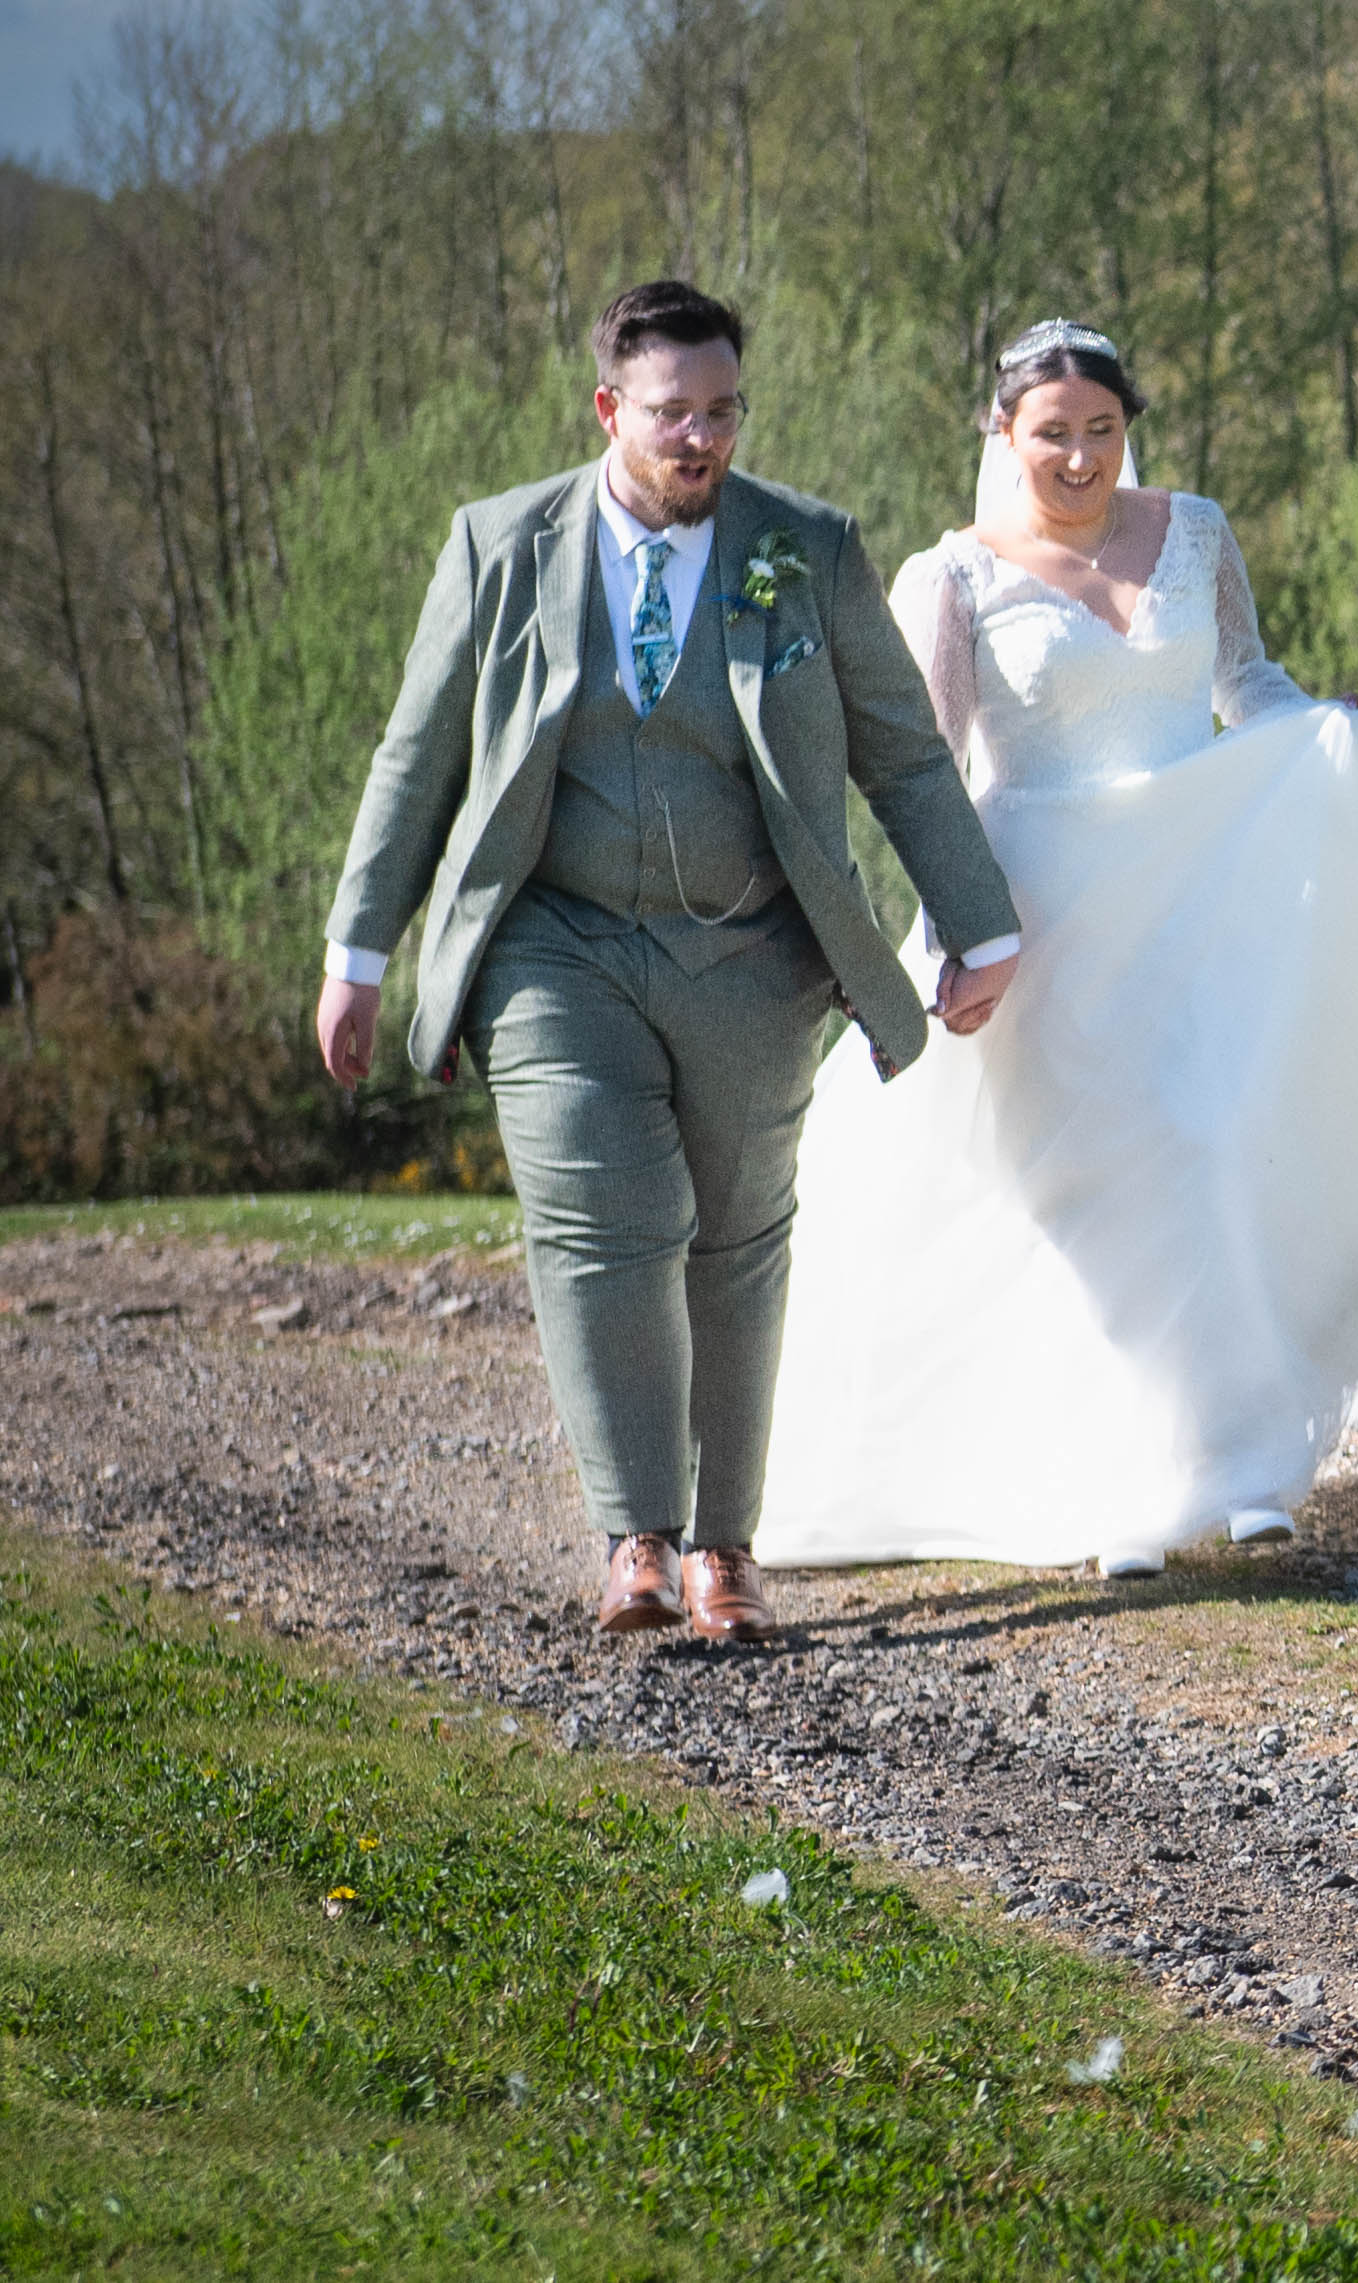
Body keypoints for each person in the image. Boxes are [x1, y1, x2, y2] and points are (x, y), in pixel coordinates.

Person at [753, 319, 1358, 1575]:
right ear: (1003, 434)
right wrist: (945, 942)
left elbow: (1244, 685)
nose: (1081, 456)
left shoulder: (1192, 531)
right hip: (1038, 919)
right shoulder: (952, 577)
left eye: (1102, 429)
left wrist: (1326, 732)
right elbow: (922, 770)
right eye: (1053, 434)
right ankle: (1118, 1489)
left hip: (1195, 890)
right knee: (1094, 1202)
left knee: (1210, 1152)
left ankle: (1242, 1465)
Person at [317, 279, 1022, 1646]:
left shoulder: (802, 546)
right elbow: (420, 755)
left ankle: (726, 1546)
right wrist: (360, 945)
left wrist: (978, 923)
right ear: (607, 410)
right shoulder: (501, 544)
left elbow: (899, 744)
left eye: (721, 412)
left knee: (737, 1236)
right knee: (602, 1222)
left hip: (752, 943)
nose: (700, 439)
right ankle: (636, 1532)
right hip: (554, 940)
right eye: (670, 414)